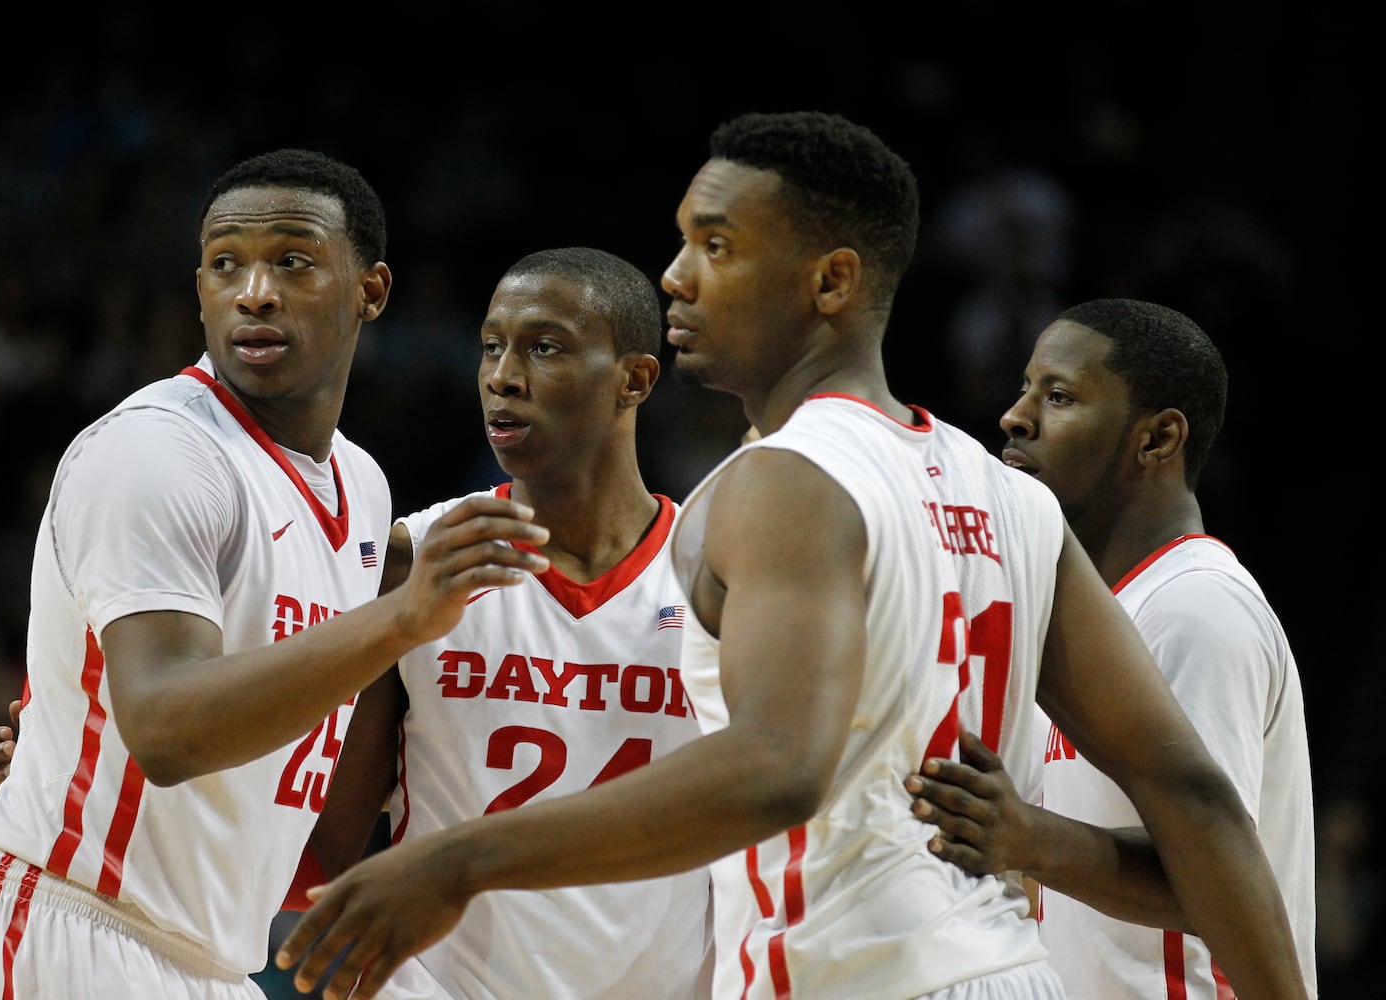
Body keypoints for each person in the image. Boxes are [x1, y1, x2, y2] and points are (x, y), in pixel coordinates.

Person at [267, 112, 1309, 1000]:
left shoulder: (787, 475)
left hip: (854, 973)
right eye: (682, 240)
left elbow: (775, 767)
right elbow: (1200, 806)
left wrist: (458, 857)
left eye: (715, 245)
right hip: (1007, 969)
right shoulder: (1006, 495)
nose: (675, 274)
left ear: (830, 281)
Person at [0, 247, 715, 999]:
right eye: (492, 347)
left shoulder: (717, 578)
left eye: (543, 348)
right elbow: (313, 847)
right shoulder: (406, 569)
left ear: (635, 379)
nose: (503, 376)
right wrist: (75, 778)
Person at [0, 147, 550, 999]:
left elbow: (308, 841)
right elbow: (169, 732)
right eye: (226, 265)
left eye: (292, 260)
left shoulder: (362, 490)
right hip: (58, 927)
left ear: (373, 290)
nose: (254, 290)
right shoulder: (156, 449)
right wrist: (399, 619)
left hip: (210, 960)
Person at [903, 298, 1317, 997]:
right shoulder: (1088, 623)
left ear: (1157, 440)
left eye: (1059, 396)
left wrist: (1027, 837)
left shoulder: (1195, 606)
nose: (1015, 416)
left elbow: (1224, 879)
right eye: (1025, 387)